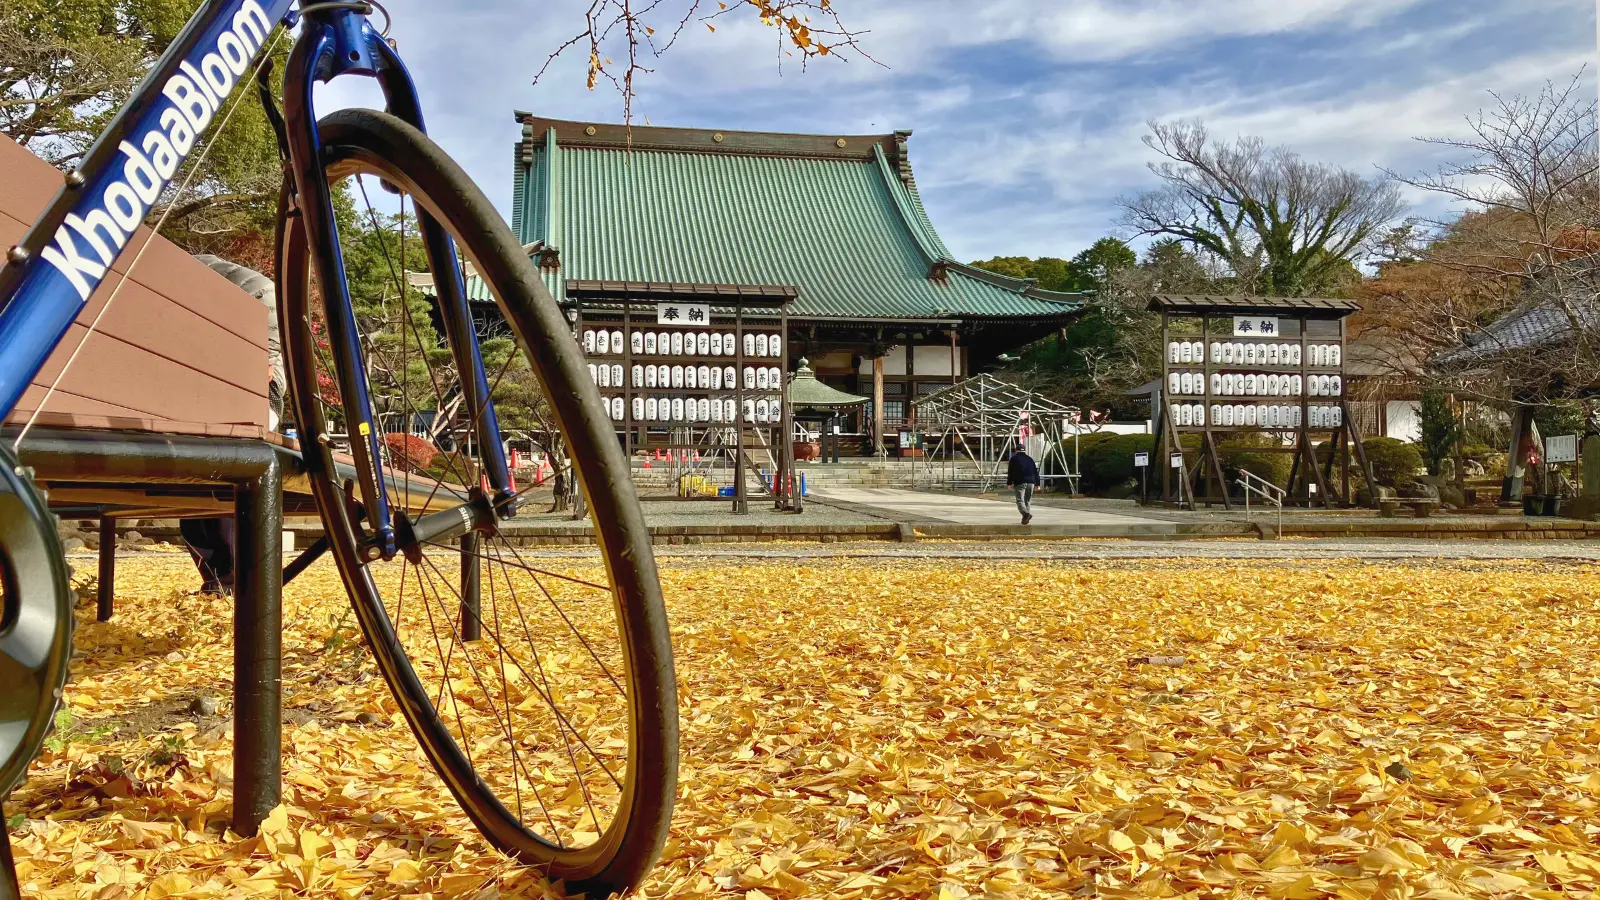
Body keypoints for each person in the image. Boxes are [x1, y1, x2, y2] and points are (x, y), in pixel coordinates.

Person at [1006, 445, 1041, 525]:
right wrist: (1037, 484)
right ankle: (1025, 519)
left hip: (1020, 481)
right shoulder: (1030, 459)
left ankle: (1026, 514)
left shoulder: (1014, 459)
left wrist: (1009, 483)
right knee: (1027, 500)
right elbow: (1036, 472)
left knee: (1020, 500)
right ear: (1024, 450)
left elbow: (1010, 472)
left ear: (1016, 450)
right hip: (1031, 482)